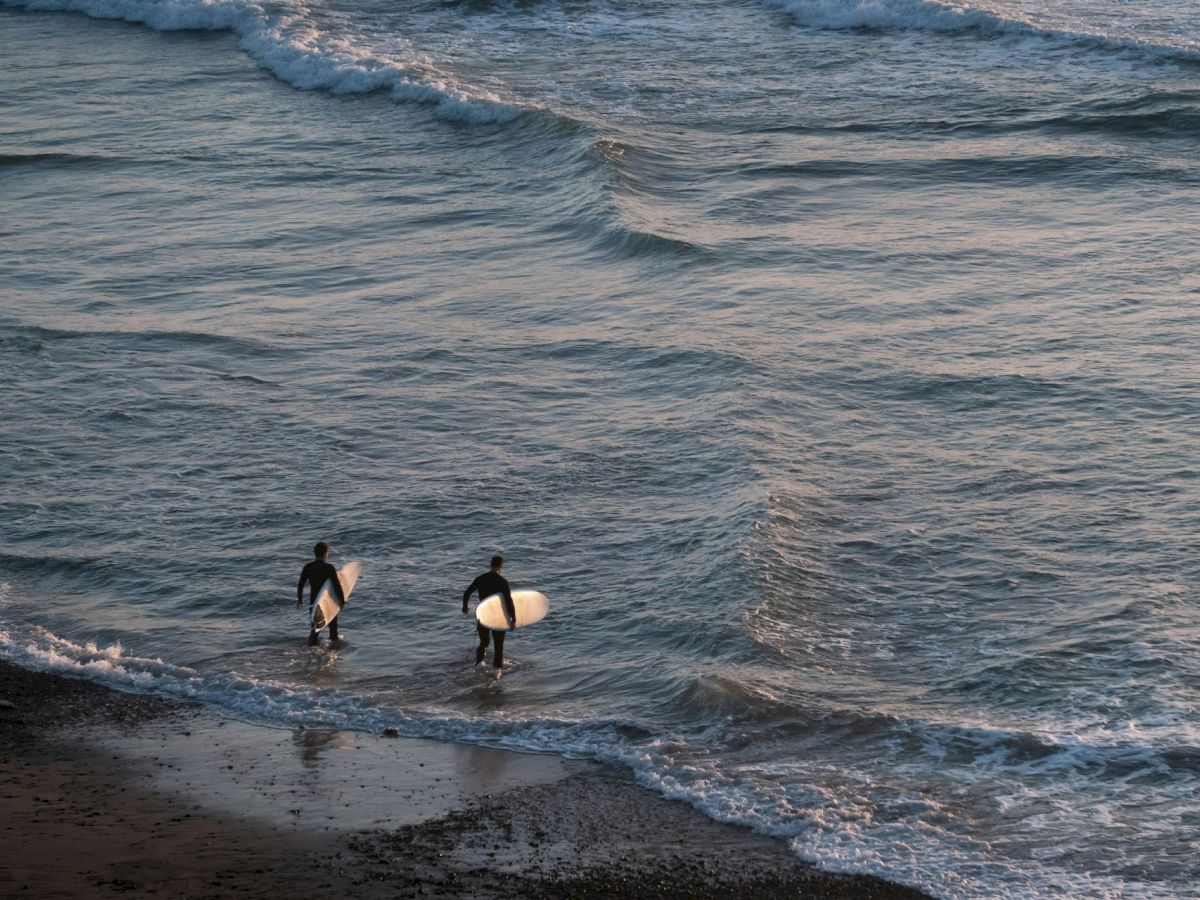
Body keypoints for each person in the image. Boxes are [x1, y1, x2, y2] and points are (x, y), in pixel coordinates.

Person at [462, 555, 516, 668]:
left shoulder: (481, 578)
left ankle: (478, 665)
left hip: (483, 615)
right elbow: (509, 601)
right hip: (498, 617)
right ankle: (497, 672)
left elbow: (467, 592)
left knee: (484, 642)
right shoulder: (502, 581)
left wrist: (465, 606)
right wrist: (513, 619)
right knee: (498, 645)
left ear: (490, 564)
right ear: (501, 566)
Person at [297, 541, 346, 646]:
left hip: (314, 604)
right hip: (328, 603)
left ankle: (311, 652)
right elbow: (337, 586)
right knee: (333, 632)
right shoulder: (329, 568)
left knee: (315, 630)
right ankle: (333, 654)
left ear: (315, 553)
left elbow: (300, 584)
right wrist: (342, 601)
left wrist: (300, 600)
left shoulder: (308, 567)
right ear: (325, 553)